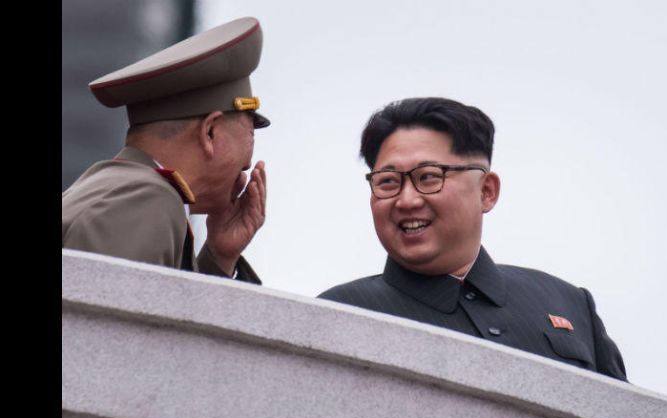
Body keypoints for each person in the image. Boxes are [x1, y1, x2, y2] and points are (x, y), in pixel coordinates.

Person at [319, 97, 627, 380]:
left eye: (428, 177)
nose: (407, 200)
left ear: (487, 191)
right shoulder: (337, 314)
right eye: (387, 182)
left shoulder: (568, 303)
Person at [62, 17, 270, 283]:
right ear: (210, 132)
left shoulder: (118, 187)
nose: (244, 177)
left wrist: (219, 257)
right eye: (244, 165)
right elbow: (112, 321)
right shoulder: (148, 199)